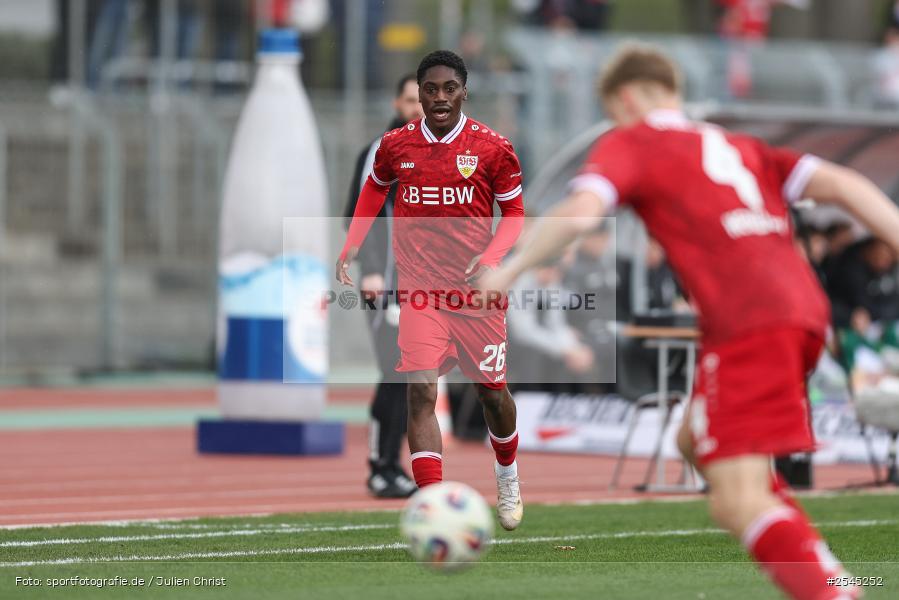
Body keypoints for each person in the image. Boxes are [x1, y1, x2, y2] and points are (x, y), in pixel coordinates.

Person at [480, 44, 899, 599]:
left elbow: (580, 213)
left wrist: (506, 274)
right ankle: (825, 571)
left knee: (735, 499)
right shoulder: (738, 144)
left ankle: (834, 591)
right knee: (691, 441)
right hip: (800, 310)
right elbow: (847, 186)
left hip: (750, 320)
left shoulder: (633, 141)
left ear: (626, 99)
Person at [337, 51, 526, 530]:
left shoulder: (492, 148)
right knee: (420, 390)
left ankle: (507, 474)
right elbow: (373, 191)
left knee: (492, 395)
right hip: (420, 292)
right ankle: (434, 508)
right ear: (418, 93)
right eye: (430, 89)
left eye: (449, 89)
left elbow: (515, 216)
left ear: (464, 91)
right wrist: (352, 246)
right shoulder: (395, 145)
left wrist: (490, 261)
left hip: (477, 296)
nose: (439, 98)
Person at [342, 74, 423, 499]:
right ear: (397, 102)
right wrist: (372, 269)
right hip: (387, 282)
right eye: (410, 99)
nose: (417, 107)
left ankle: (397, 465)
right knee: (394, 370)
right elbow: (358, 212)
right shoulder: (382, 150)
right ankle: (381, 467)